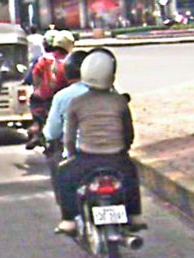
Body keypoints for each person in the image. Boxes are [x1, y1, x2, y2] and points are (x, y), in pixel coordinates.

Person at [55, 49, 142, 233]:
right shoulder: (119, 101)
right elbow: (128, 133)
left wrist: (71, 155)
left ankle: (69, 220)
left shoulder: (77, 103)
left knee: (63, 174)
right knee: (132, 175)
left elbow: (69, 138)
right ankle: (135, 215)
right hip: (117, 159)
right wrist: (124, 149)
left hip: (87, 159)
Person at [43, 50, 88, 202]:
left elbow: (52, 132)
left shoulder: (63, 97)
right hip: (111, 153)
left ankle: (67, 208)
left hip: (75, 154)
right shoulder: (109, 93)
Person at [26, 30, 74, 150]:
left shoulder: (44, 59)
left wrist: (39, 88)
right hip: (63, 97)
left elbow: (35, 75)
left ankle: (37, 128)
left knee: (34, 102)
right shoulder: (69, 61)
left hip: (43, 98)